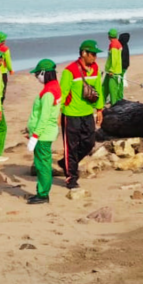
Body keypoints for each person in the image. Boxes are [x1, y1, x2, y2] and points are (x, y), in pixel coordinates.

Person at [59, 40, 105, 189]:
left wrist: (99, 109)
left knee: (89, 143)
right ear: (83, 53)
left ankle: (66, 163)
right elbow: (62, 93)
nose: (95, 57)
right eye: (92, 54)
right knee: (71, 147)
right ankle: (71, 178)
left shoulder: (95, 68)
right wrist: (58, 113)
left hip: (87, 113)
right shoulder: (69, 71)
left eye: (96, 54)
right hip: (70, 114)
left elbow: (98, 88)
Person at [26, 59, 62, 205]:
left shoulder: (48, 92)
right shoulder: (54, 86)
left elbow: (44, 116)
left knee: (42, 165)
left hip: (43, 134)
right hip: (45, 132)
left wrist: (35, 136)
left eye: (37, 75)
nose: (36, 78)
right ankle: (42, 191)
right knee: (43, 163)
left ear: (44, 73)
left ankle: (42, 194)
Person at [102, 29, 124, 106]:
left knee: (112, 89)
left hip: (114, 71)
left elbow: (114, 59)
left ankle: (114, 105)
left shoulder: (114, 44)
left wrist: (112, 70)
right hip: (109, 71)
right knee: (104, 87)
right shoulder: (116, 43)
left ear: (109, 36)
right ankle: (101, 103)